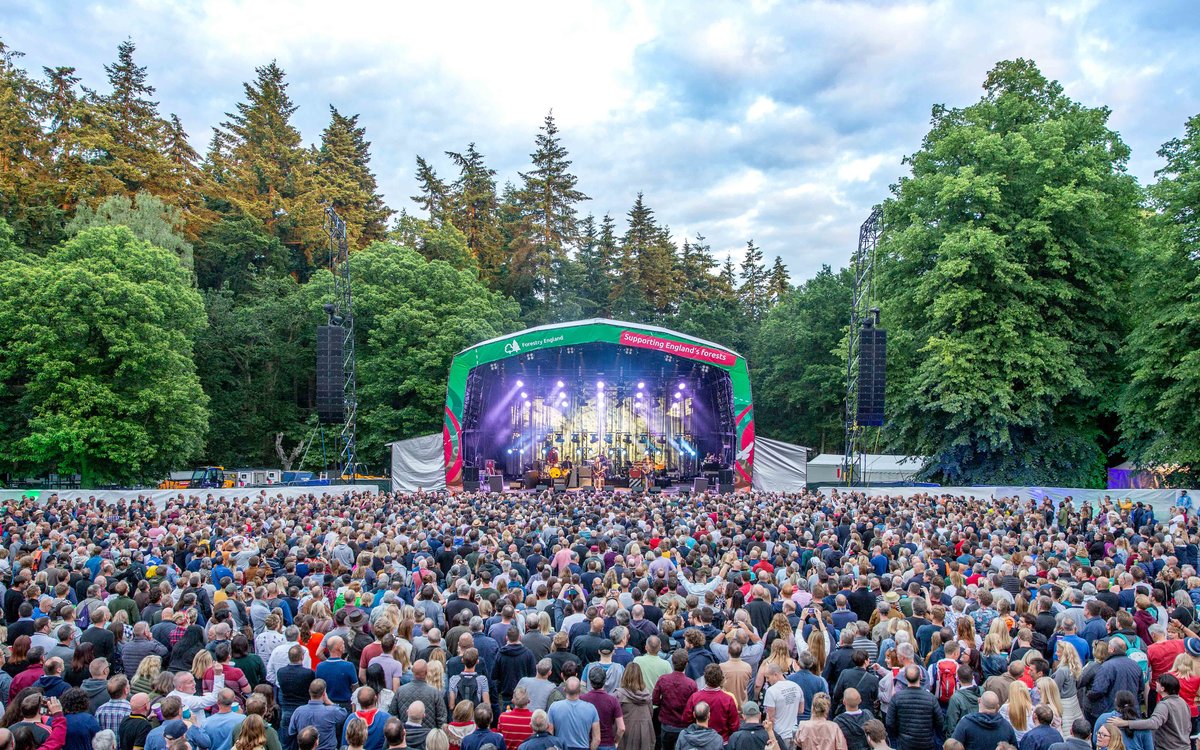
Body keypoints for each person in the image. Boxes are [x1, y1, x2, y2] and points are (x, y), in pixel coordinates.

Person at [1107, 674, 1192, 750]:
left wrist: (1126, 723)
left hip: (1169, 747)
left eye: (1158, 683)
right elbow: (1189, 726)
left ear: (1162, 689)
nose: (1155, 683)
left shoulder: (1164, 705)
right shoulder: (1182, 702)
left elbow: (1153, 723)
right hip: (1185, 746)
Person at [885, 665, 941, 750]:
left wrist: (898, 734)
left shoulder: (897, 698)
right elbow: (940, 721)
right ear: (920, 676)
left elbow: (889, 722)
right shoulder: (931, 698)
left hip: (904, 743)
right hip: (926, 743)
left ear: (904, 677)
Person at [653, 650, 697, 750]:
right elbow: (694, 706)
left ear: (672, 662)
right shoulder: (691, 684)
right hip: (683, 726)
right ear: (686, 664)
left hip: (667, 724)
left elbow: (655, 700)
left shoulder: (663, 679)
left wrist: (663, 704)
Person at [287, 680, 348, 750]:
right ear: (324, 693)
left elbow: (291, 732)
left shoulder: (298, 711)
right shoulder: (331, 711)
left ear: (309, 692)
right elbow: (344, 713)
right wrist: (329, 702)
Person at [951, 692, 1018, 750]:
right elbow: (1014, 747)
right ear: (997, 706)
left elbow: (953, 745)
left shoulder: (965, 723)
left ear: (979, 701)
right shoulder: (1006, 727)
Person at [547, 678, 599, 750]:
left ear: (564, 690)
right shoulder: (591, 708)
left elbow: (550, 733)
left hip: (561, 747)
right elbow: (597, 738)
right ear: (580, 691)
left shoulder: (554, 707)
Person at [581, 666, 624, 750]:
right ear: (605, 680)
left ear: (590, 681)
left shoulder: (582, 699)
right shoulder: (613, 700)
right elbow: (621, 728)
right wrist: (616, 741)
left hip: (587, 743)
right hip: (608, 744)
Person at [615, 663, 653, 750]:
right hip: (644, 732)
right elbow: (651, 713)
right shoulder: (647, 696)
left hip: (624, 735)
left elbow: (613, 718)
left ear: (625, 675)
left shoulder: (618, 695)